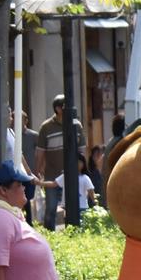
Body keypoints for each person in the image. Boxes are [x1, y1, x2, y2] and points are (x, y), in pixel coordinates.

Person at [33, 95, 81, 231]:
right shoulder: (46, 127)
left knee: (74, 207)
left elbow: (82, 151)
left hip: (72, 176)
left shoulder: (76, 125)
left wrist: (82, 171)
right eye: (67, 106)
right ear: (58, 109)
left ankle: (74, 234)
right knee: (51, 209)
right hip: (52, 175)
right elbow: (40, 152)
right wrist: (37, 173)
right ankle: (50, 237)